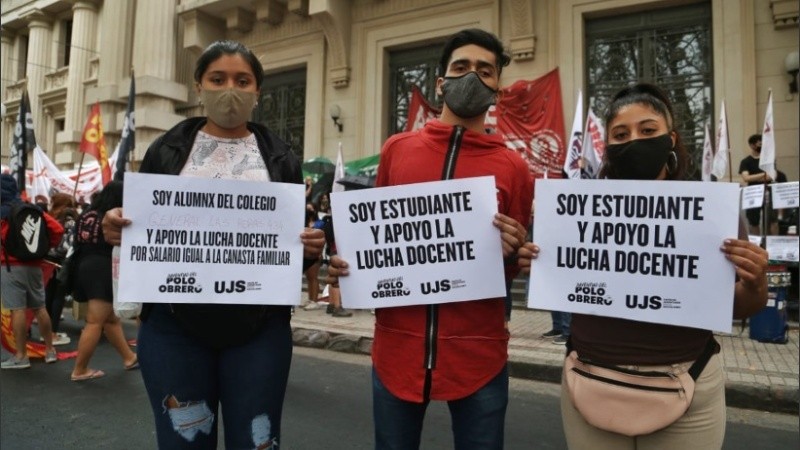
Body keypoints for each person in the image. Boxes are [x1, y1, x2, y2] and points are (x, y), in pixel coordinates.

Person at [518, 83, 768, 449]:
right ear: (608, 147)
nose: (634, 140)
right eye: (621, 134)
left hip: (687, 385)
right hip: (589, 381)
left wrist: (755, 280)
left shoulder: (712, 213)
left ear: (671, 139)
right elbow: (563, 280)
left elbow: (741, 305)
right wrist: (540, 265)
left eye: (648, 130)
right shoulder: (574, 213)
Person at [101, 40, 324, 449]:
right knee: (184, 439)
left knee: (257, 441)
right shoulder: (165, 150)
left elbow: (294, 243)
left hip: (260, 328)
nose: (230, 90)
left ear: (258, 91)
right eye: (217, 79)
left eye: (243, 80)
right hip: (173, 328)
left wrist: (311, 247)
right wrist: (115, 225)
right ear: (198, 86)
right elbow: (135, 222)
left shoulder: (282, 157)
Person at [326, 28, 531, 449]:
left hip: (480, 354)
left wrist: (517, 251)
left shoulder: (514, 167)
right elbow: (374, 238)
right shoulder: (397, 151)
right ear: (441, 82)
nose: (472, 76)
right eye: (461, 67)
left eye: (484, 70)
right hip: (396, 352)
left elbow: (513, 266)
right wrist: (346, 265)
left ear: (498, 88)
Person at [70, 181, 138, 381]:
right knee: (95, 321)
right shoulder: (115, 217)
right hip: (103, 268)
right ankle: (80, 369)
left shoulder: (87, 214)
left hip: (83, 266)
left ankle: (129, 358)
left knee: (110, 319)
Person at [0, 173, 63, 369]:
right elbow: (57, 229)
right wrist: (43, 248)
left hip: (10, 266)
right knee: (39, 307)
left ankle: (21, 356)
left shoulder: (2, 212)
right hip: (35, 265)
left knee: (17, 309)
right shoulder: (31, 208)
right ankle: (50, 351)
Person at [43, 192, 78, 345]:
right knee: (58, 297)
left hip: (46, 260)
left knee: (48, 296)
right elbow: (69, 245)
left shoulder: (48, 217)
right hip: (61, 262)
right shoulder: (68, 220)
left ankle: (46, 333)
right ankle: (53, 333)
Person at [738, 133, 772, 235]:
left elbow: (770, 176)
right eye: (759, 144)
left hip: (767, 191)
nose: (761, 146)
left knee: (771, 219)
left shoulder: (768, 160)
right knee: (753, 221)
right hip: (753, 193)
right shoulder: (745, 161)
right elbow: (746, 178)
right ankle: (758, 243)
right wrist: (763, 174)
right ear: (752, 145)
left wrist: (754, 177)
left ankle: (770, 244)